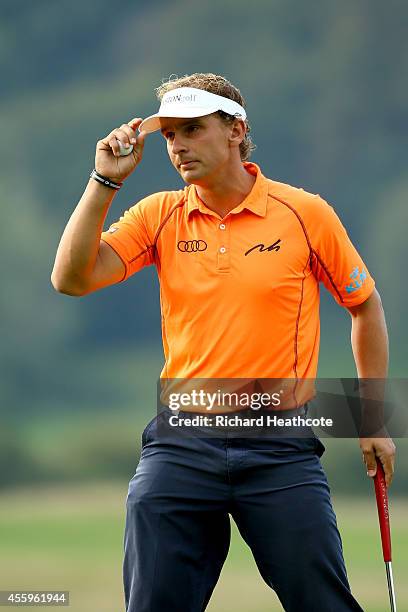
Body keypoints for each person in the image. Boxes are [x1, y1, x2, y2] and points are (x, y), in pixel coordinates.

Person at [51, 73, 395, 611]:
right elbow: (71, 279)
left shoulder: (304, 214)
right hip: (181, 441)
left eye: (192, 129)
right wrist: (104, 180)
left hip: (279, 446)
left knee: (323, 603)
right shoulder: (158, 213)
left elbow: (364, 304)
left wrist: (370, 419)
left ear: (236, 130)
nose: (178, 146)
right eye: (169, 136)